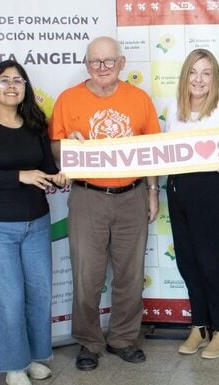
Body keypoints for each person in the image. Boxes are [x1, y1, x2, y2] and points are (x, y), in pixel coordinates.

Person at [49, 36, 161, 370]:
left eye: (109, 62)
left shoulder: (139, 99)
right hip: (87, 198)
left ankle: (123, 338)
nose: (102, 68)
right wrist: (67, 145)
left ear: (122, 63)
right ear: (87, 64)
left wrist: (153, 191)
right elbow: (55, 149)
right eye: (95, 62)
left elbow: (153, 150)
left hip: (132, 196)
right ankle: (89, 342)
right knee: (87, 276)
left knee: (130, 275)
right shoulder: (68, 100)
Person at [0, 60, 66, 385]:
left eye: (18, 80)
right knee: (6, 299)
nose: (12, 85)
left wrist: (58, 178)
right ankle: (13, 365)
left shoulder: (36, 124)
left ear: (25, 88)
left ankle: (34, 357)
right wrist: (19, 176)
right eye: (4, 80)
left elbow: (47, 168)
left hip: (36, 221)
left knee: (38, 295)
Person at [164, 49, 219, 359]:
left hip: (211, 191)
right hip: (178, 189)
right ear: (185, 76)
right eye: (193, 72)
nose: (198, 79)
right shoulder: (174, 109)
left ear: (215, 79)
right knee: (188, 263)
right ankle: (199, 325)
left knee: (211, 264)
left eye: (206, 73)